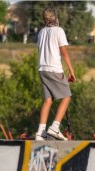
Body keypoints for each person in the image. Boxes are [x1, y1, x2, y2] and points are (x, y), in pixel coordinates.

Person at [35, 8, 75, 141]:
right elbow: (63, 52)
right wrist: (71, 70)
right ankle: (54, 127)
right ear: (56, 18)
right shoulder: (59, 31)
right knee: (67, 96)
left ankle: (41, 132)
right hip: (54, 69)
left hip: (42, 69)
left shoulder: (41, 32)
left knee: (48, 100)